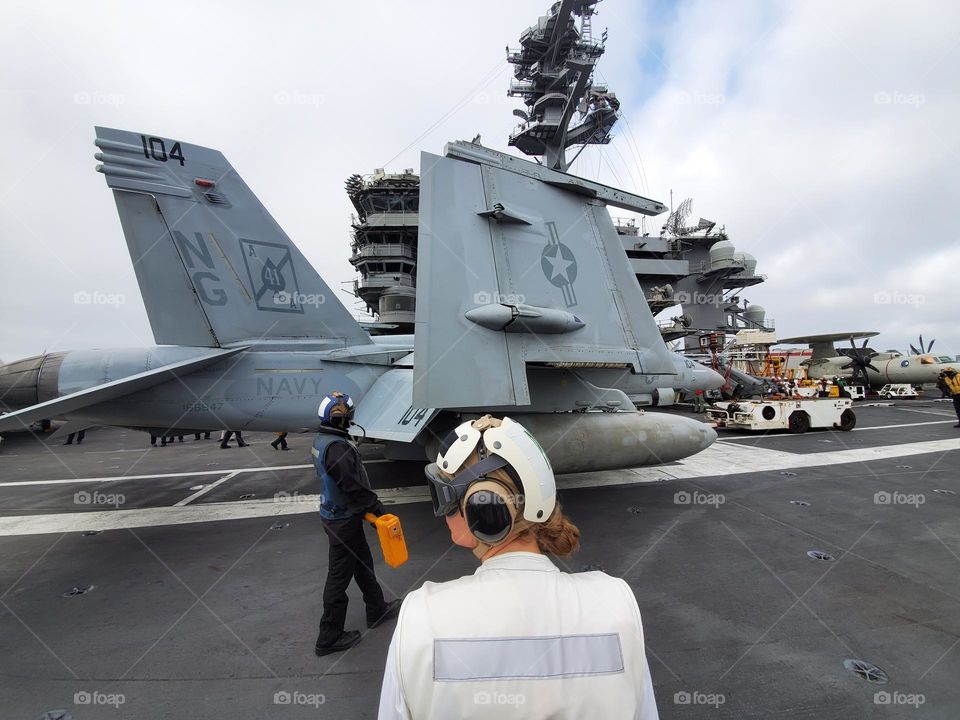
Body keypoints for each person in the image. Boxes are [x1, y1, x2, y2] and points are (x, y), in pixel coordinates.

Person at [378, 415, 659, 719]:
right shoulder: (616, 603)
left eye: (445, 497)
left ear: (480, 507)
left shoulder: (420, 617)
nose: (443, 513)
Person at [314, 391, 401, 656]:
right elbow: (351, 485)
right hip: (342, 520)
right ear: (342, 418)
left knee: (362, 563)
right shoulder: (338, 447)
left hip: (339, 515)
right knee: (338, 578)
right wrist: (375, 508)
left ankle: (376, 609)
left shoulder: (324, 440)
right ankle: (328, 638)